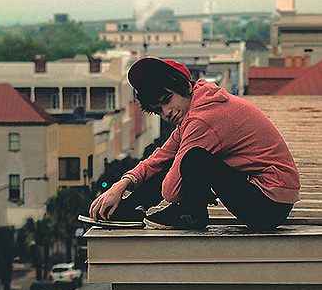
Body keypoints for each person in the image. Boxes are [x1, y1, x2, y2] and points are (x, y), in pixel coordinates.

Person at [89, 57, 300, 230]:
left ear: (183, 86)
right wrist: (122, 185)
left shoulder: (203, 119)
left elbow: (171, 192)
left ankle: (192, 214)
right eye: (159, 110)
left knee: (193, 159)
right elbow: (159, 158)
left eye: (167, 100)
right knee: (173, 157)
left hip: (268, 205)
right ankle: (130, 209)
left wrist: (177, 192)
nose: (167, 113)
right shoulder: (198, 107)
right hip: (265, 197)